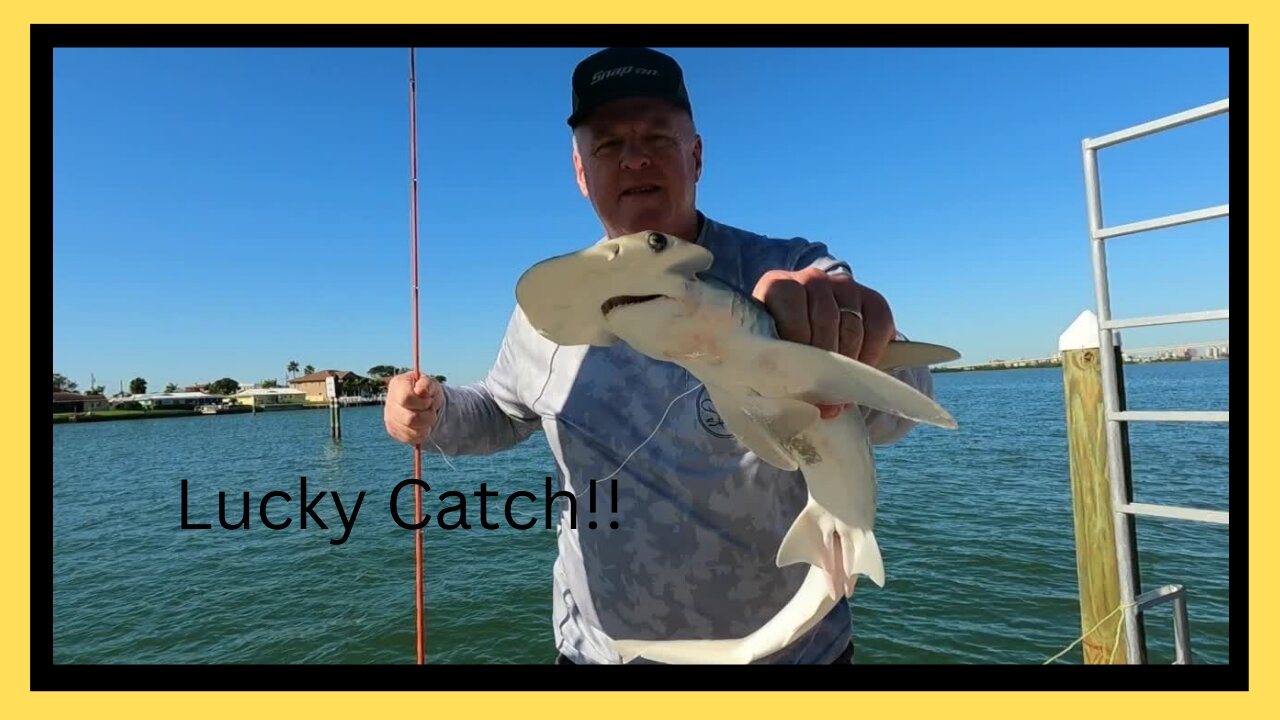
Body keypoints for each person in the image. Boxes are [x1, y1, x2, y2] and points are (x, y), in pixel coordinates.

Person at [383, 47, 935, 665]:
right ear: (580, 170)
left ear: (696, 154)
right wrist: (432, 414)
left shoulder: (793, 269)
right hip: (601, 654)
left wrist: (854, 328)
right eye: (609, 143)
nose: (635, 157)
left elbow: (903, 409)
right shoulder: (548, 311)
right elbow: (502, 411)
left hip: (796, 656)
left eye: (656, 137)